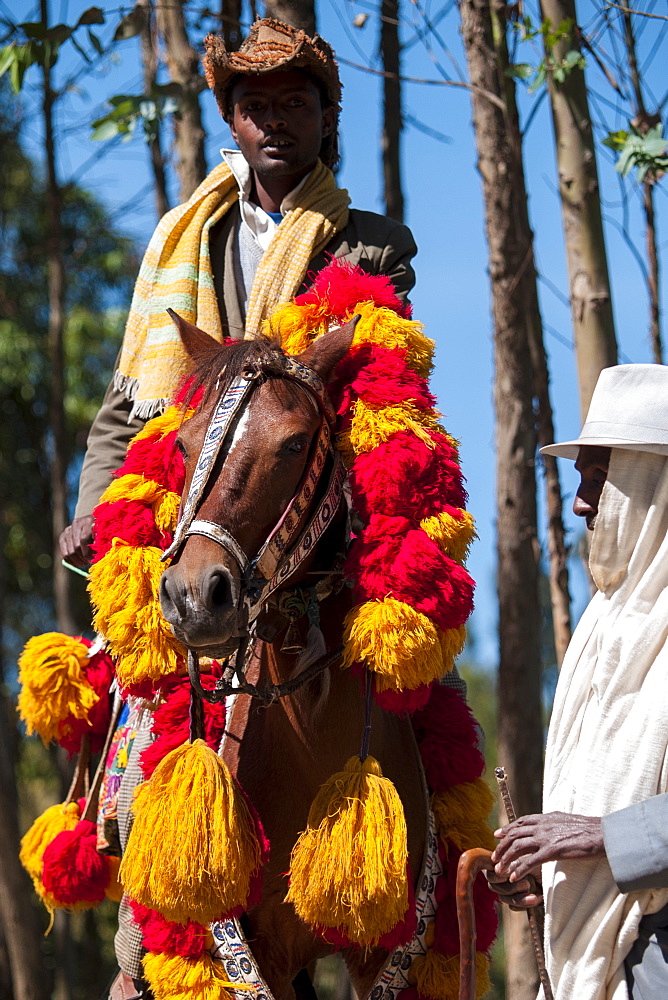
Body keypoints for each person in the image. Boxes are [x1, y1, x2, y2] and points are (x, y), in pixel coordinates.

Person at [60, 17, 417, 568]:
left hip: (317, 504)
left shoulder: (374, 244)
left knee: (399, 626)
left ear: (326, 121)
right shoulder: (184, 239)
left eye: (295, 104)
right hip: (194, 498)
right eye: (254, 108)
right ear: (232, 124)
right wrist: (92, 508)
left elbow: (383, 388)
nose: (274, 121)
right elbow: (127, 405)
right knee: (124, 643)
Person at [489, 363, 668, 1000]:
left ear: (653, 488)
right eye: (579, 480)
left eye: (600, 480)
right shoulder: (600, 625)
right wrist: (546, 871)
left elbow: (602, 830)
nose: (581, 503)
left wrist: (597, 834)